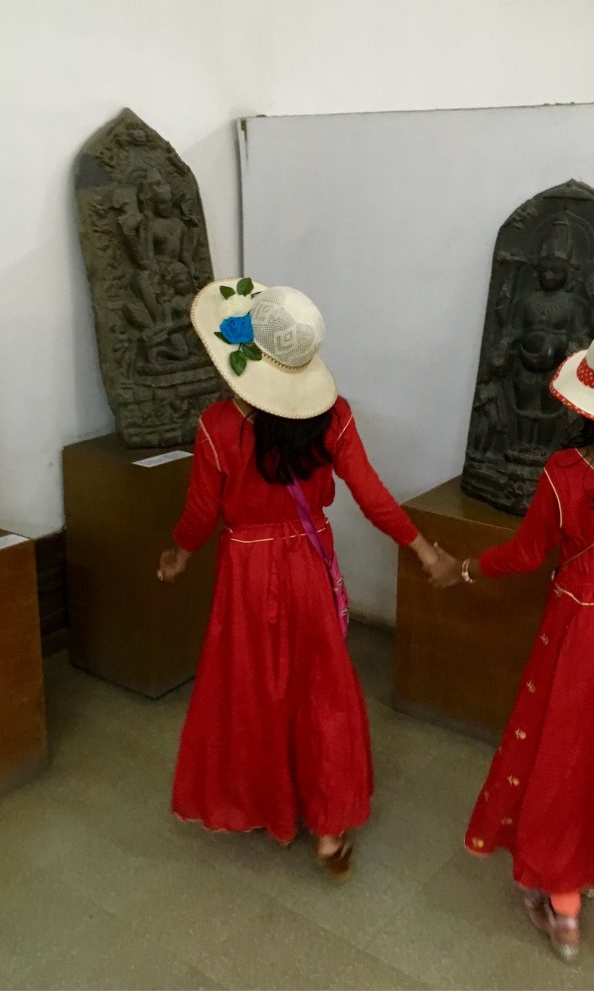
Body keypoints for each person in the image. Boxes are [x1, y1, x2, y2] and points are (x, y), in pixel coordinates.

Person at [428, 323, 594, 961]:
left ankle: (565, 903)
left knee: (566, 751)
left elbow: (526, 555)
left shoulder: (564, 471)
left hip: (584, 624)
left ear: (588, 405)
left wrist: (464, 569)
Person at [157, 278, 437, 878]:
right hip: (309, 560)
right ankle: (330, 828)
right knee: (321, 686)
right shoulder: (332, 417)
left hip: (245, 570)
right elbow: (371, 496)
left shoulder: (215, 426)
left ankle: (269, 804)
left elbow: (202, 514)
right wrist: (421, 548)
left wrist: (179, 553)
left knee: (254, 686)